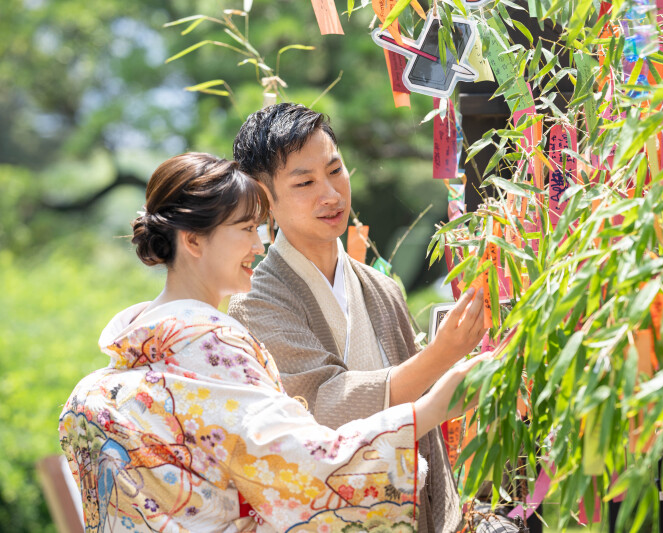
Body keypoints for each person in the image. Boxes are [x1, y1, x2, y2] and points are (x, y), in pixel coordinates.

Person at [58, 152, 487, 532]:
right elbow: (310, 468)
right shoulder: (215, 347)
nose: (257, 243)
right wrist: (429, 409)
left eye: (259, 227)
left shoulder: (112, 373)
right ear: (191, 241)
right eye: (245, 228)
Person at [228, 103, 488, 532]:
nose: (330, 194)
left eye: (335, 170)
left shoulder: (380, 287)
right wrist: (441, 356)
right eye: (305, 182)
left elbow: (425, 400)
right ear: (262, 195)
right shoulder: (256, 302)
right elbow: (322, 406)